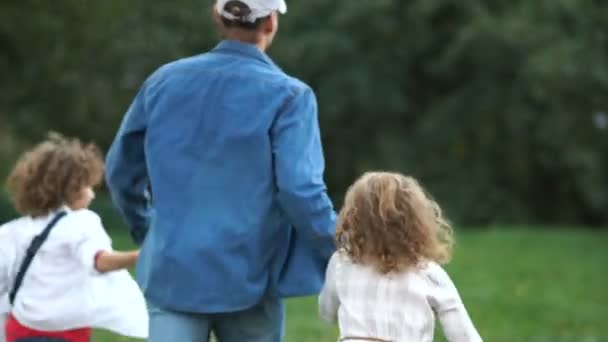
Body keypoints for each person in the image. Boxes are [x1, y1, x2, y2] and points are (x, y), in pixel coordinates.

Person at [105, 0, 337, 341]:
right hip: (252, 275)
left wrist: (148, 230)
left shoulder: (163, 81)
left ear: (218, 17)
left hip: (173, 270)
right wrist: (340, 250)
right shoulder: (290, 96)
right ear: (271, 22)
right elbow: (300, 190)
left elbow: (121, 170)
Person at [0, 134, 148, 342]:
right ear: (70, 189)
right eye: (87, 186)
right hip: (63, 335)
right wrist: (144, 255)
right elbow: (99, 261)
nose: (92, 195)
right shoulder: (81, 223)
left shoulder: (13, 231)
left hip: (19, 331)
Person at [319, 172, 482, 342]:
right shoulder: (428, 273)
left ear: (352, 218)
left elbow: (327, 312)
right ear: (417, 221)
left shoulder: (342, 263)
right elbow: (463, 334)